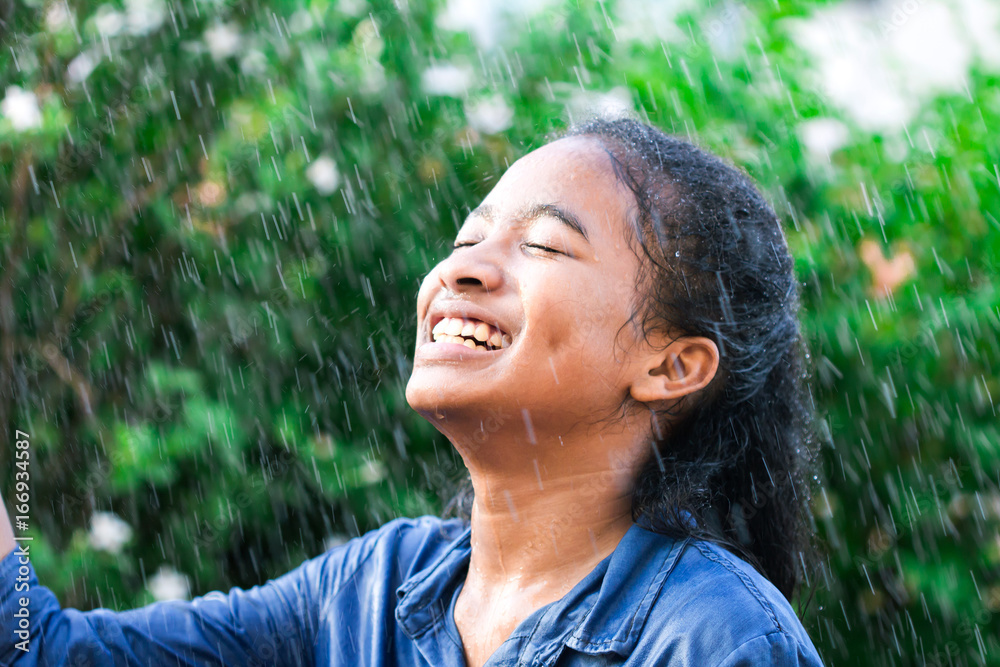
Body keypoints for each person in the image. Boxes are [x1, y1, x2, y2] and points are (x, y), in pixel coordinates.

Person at [1, 117, 824, 666]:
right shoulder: (368, 590)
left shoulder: (712, 637)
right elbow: (40, 651)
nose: (461, 267)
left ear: (670, 365)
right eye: (468, 236)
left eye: (543, 244)